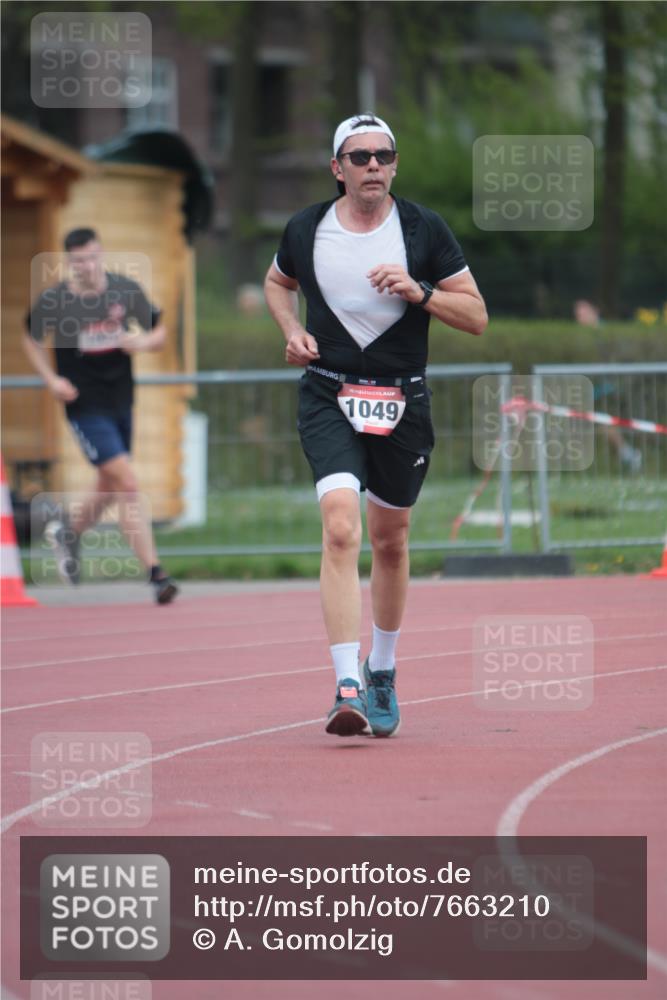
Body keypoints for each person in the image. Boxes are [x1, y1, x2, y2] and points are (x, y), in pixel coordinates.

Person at [264, 113, 487, 737]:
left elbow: (476, 316)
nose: (372, 167)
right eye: (358, 157)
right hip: (328, 394)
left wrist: (420, 292)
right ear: (337, 168)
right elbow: (277, 283)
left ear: (394, 165)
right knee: (340, 527)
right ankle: (346, 683)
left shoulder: (422, 230)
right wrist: (292, 331)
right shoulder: (306, 228)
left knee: (389, 539)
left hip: (401, 400)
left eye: (383, 156)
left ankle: (382, 669)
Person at [23, 227, 179, 604]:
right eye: (78, 261)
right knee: (126, 482)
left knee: (108, 485)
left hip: (121, 400)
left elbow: (160, 331)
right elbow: (30, 336)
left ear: (101, 255)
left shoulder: (123, 291)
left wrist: (139, 342)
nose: (86, 266)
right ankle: (157, 574)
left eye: (91, 258)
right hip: (83, 405)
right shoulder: (57, 300)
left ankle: (68, 534)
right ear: (69, 264)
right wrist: (51, 379)